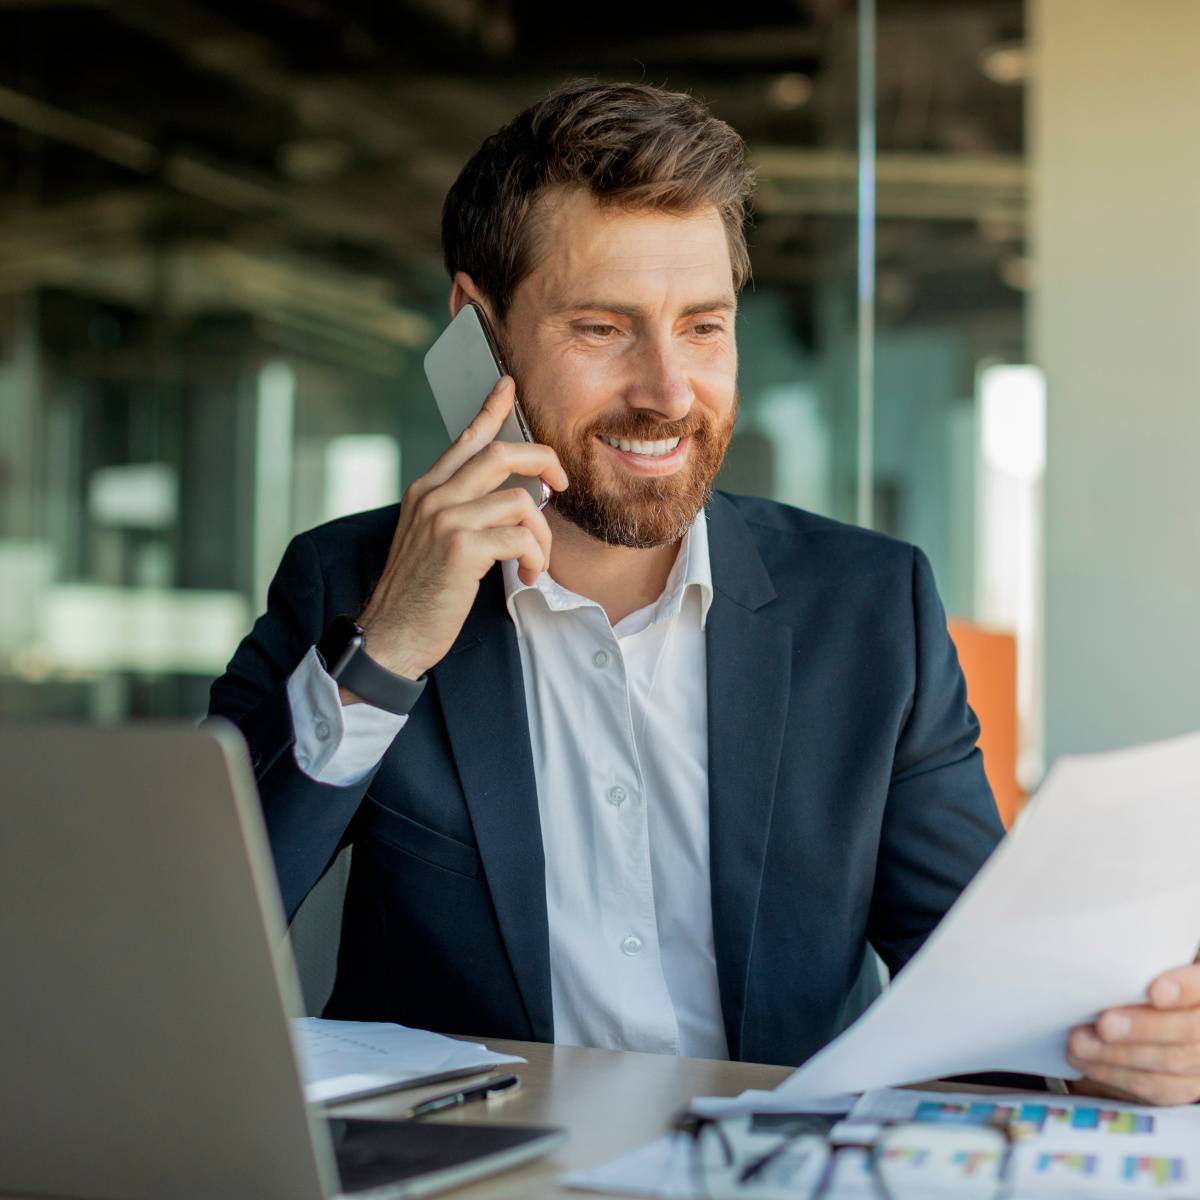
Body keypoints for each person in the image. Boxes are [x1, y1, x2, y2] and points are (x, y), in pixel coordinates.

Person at [210, 79, 1200, 1105]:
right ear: (478, 331)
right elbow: (184, 948)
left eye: (704, 326)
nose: (669, 392)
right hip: (476, 1175)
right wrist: (387, 651)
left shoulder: (870, 611)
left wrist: (1137, 1040)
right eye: (602, 328)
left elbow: (988, 998)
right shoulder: (347, 587)